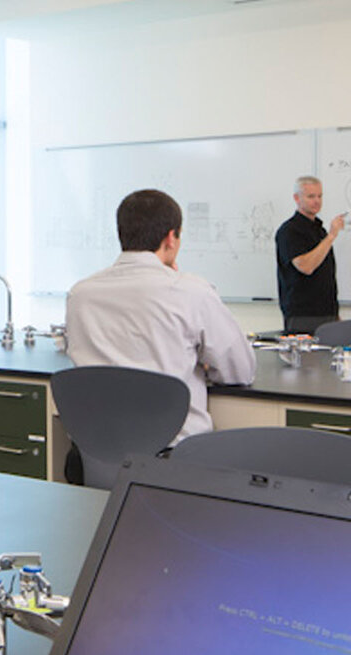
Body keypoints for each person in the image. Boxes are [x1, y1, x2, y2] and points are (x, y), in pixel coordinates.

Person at [64, 188, 258, 482]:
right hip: (170, 462)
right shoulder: (189, 290)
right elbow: (240, 370)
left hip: (96, 459)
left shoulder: (81, 294)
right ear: (171, 238)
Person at [274, 176, 345, 335]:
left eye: (320, 196)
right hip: (302, 316)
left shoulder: (319, 230)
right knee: (307, 360)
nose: (317, 201)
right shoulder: (289, 231)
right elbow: (306, 266)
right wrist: (332, 235)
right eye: (311, 196)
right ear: (297, 198)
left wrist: (334, 314)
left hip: (327, 313)